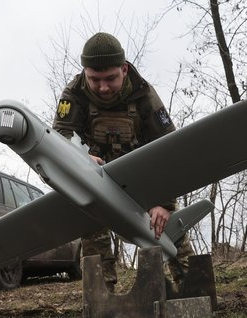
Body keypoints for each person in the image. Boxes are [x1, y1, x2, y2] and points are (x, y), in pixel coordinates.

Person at [52, 32, 193, 291]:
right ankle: (101, 296)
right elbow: (59, 137)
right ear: (85, 72)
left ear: (124, 69)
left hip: (142, 176)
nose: (103, 87)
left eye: (110, 79)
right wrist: (80, 158)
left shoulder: (143, 95)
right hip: (97, 177)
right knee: (91, 228)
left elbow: (171, 148)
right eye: (95, 79)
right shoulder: (74, 94)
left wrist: (164, 203)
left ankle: (192, 284)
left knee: (169, 227)